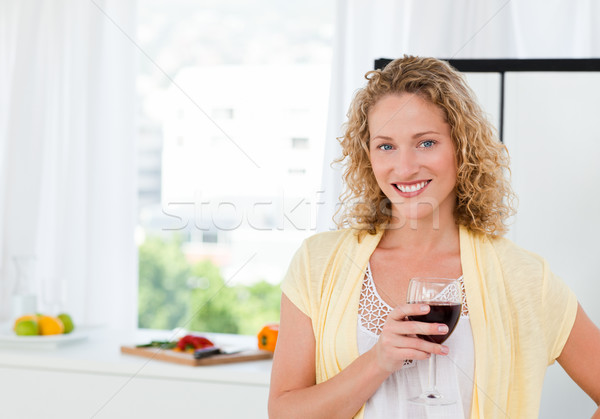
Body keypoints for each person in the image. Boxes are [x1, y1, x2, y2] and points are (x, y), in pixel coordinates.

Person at [267, 55, 600, 419]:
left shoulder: (524, 278)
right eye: (386, 145)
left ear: (462, 146)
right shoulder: (318, 264)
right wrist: (378, 361)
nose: (405, 167)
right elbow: (285, 412)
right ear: (368, 155)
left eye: (426, 143)